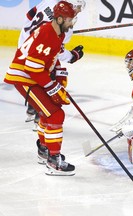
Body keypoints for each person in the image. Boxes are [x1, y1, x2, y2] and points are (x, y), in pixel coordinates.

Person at [4, 1, 78, 176]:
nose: (71, 24)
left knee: (50, 113)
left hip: (32, 77)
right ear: (59, 19)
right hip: (24, 78)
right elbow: (32, 68)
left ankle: (45, 150)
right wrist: (52, 88)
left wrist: (61, 74)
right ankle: (54, 160)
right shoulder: (48, 34)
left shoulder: (56, 32)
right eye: (69, 20)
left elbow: (51, 59)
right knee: (55, 114)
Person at [19, 0, 86, 130]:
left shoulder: (49, 2)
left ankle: (33, 107)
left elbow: (29, 15)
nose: (79, 11)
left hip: (22, 47)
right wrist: (73, 56)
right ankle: (42, 113)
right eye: (77, 7)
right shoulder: (67, 29)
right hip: (36, 55)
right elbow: (57, 52)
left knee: (48, 71)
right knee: (53, 75)